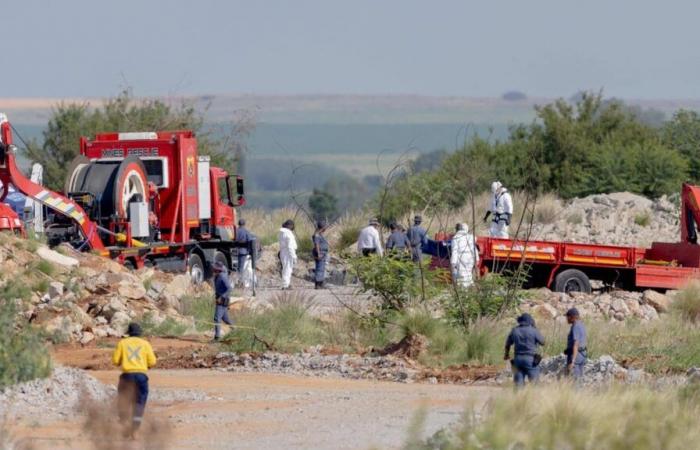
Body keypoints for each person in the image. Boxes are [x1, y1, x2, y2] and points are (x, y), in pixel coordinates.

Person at [112, 322, 157, 438]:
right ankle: (135, 429)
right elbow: (152, 362)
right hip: (141, 377)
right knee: (139, 403)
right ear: (140, 333)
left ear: (129, 333)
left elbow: (115, 361)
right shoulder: (145, 344)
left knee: (123, 400)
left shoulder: (122, 343)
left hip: (127, 376)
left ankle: (124, 421)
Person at [504, 313, 544, 388]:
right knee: (535, 384)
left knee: (518, 385)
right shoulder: (533, 330)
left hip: (517, 359)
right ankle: (535, 399)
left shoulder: (514, 330)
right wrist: (535, 328)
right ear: (530, 321)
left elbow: (507, 344)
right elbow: (542, 342)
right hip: (530, 359)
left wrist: (506, 355)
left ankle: (518, 398)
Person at [450, 223, 479, 288]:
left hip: (461, 258)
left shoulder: (456, 238)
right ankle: (469, 292)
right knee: (468, 276)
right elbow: (474, 249)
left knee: (460, 277)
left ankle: (463, 293)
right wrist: (476, 259)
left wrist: (453, 263)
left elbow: (454, 251)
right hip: (470, 259)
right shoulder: (471, 237)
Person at [565, 307, 587, 382]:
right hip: (582, 354)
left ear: (572, 317)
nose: (566, 319)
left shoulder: (576, 326)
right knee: (579, 378)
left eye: (567, 317)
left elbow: (576, 343)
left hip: (576, 355)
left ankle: (576, 393)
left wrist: (573, 361)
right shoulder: (581, 325)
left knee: (575, 380)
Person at [212, 261, 232, 341]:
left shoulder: (222, 276)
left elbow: (229, 288)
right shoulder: (218, 275)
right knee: (225, 319)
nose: (212, 270)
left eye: (214, 269)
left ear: (218, 270)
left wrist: (221, 297)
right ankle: (236, 330)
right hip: (219, 298)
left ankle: (217, 337)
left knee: (217, 318)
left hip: (223, 300)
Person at [278, 219, 298, 289]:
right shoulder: (288, 233)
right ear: (290, 225)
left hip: (283, 251)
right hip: (287, 253)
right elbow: (290, 246)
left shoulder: (282, 232)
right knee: (288, 269)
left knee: (285, 268)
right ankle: (285, 285)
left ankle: (286, 283)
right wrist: (294, 256)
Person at [234, 218, 253, 287]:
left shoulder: (235, 231)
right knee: (243, 268)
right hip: (244, 251)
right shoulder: (246, 231)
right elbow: (250, 241)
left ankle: (239, 281)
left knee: (238, 267)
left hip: (236, 251)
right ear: (244, 224)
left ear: (239, 224)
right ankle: (241, 282)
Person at [312, 220, 330, 289]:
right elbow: (317, 245)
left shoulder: (318, 234)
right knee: (320, 268)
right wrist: (318, 254)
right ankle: (318, 284)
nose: (326, 229)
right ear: (323, 227)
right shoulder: (317, 235)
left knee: (321, 268)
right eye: (325, 227)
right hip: (320, 253)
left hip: (323, 253)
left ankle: (320, 283)